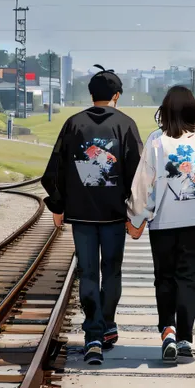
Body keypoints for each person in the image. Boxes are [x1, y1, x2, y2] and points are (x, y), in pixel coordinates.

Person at [41, 65, 142, 365]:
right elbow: (138, 174)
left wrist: (58, 206)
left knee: (87, 272)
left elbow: (53, 170)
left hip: (82, 217)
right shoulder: (126, 125)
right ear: (116, 96)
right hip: (114, 215)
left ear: (91, 94)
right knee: (112, 271)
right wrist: (134, 213)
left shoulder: (73, 123)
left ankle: (92, 335)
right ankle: (106, 325)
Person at [126, 86, 195, 362]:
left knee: (164, 277)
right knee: (188, 278)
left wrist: (136, 218)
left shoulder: (156, 141)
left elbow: (143, 184)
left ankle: (168, 331)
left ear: (165, 111)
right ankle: (185, 338)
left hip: (163, 223)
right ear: (192, 111)